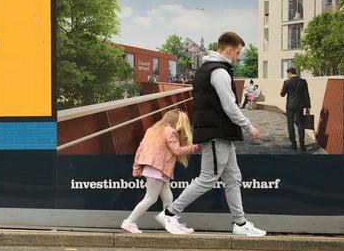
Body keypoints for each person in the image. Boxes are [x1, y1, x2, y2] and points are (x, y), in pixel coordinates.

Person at [156, 32, 266, 237]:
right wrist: (250, 127)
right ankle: (170, 213)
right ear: (229, 49)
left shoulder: (206, 69)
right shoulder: (219, 72)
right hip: (216, 133)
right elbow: (230, 107)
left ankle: (240, 224)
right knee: (207, 178)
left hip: (220, 133)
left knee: (233, 177)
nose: (238, 57)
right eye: (238, 53)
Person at [121, 109, 201, 234]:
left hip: (153, 169)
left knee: (168, 197)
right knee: (150, 198)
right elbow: (178, 151)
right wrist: (196, 147)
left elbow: (140, 150)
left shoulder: (152, 130)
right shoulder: (170, 131)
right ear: (176, 121)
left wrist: (136, 169)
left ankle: (171, 223)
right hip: (158, 169)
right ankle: (129, 222)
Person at [280, 67, 311, 152]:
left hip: (290, 106)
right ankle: (302, 145)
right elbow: (306, 95)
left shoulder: (287, 82)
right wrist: (308, 107)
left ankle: (294, 144)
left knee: (290, 125)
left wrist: (282, 90)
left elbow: (282, 94)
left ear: (289, 73)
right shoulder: (303, 81)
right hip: (300, 106)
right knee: (300, 124)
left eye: (288, 74)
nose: (287, 75)